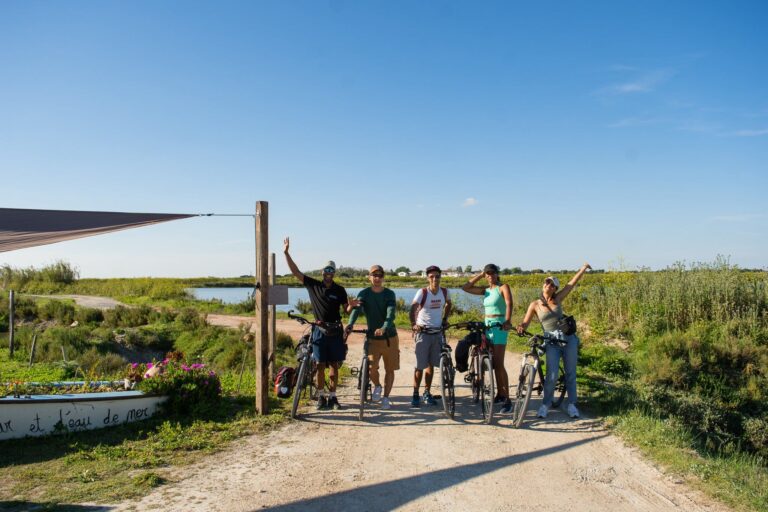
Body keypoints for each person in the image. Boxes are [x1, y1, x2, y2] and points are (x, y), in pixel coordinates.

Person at [516, 263, 592, 419]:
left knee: (570, 373)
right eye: (546, 283)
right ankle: (546, 404)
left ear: (555, 289)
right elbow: (525, 322)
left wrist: (583, 269)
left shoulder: (558, 299)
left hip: (568, 339)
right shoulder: (535, 304)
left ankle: (571, 404)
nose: (548, 286)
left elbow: (571, 284)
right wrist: (521, 327)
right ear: (543, 285)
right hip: (550, 341)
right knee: (552, 374)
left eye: (552, 285)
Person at [283, 237, 350, 410]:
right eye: (326, 270)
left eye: (331, 270)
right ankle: (321, 396)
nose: (328, 273)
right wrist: (286, 253)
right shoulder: (314, 286)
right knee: (319, 365)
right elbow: (296, 272)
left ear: (334, 273)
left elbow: (346, 310)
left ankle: (333, 397)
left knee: (334, 364)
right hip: (319, 330)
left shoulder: (340, 290)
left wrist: (352, 306)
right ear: (322, 272)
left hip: (335, 330)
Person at [345, 265, 399, 410]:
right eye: (374, 275)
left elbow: (391, 314)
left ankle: (386, 398)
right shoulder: (364, 293)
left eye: (380, 275)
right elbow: (356, 310)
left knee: (390, 370)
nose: (377, 278)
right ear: (369, 277)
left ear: (383, 278)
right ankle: (378, 386)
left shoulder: (389, 294)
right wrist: (350, 324)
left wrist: (384, 328)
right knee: (371, 368)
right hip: (372, 339)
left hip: (389, 338)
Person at [461, 264, 513, 413]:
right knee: (490, 362)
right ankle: (499, 394)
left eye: (492, 273)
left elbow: (509, 303)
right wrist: (480, 274)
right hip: (487, 326)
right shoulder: (486, 291)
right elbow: (466, 287)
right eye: (487, 274)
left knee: (499, 363)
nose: (490, 276)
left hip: (499, 326)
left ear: (497, 274)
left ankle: (507, 399)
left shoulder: (503, 287)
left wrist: (507, 321)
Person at [409, 265, 452, 407]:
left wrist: (445, 319)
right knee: (420, 365)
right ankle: (415, 393)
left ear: (440, 277)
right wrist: (414, 324)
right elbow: (413, 308)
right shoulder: (422, 292)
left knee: (431, 365)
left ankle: (427, 392)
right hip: (423, 333)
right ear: (428, 278)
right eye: (432, 276)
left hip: (437, 333)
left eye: (437, 276)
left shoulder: (445, 292)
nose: (435, 279)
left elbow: (448, 304)